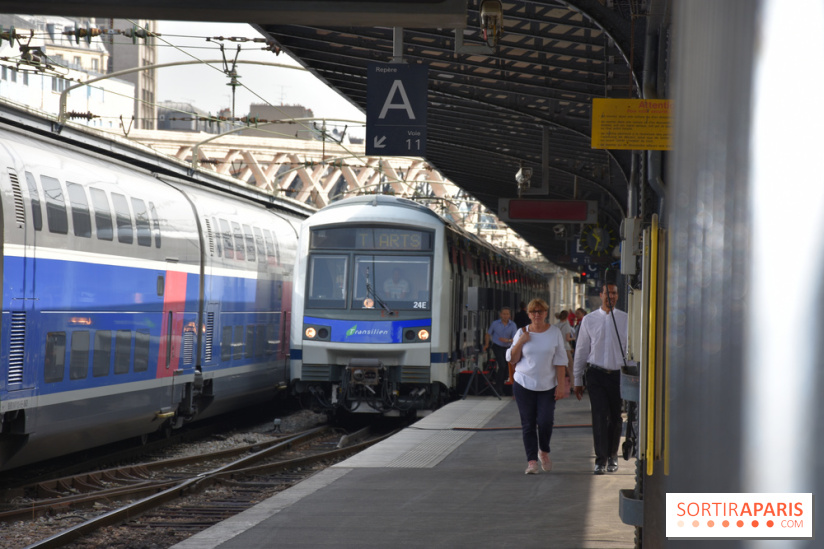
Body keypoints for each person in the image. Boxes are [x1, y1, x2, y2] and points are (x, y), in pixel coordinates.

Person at [506, 298, 569, 475]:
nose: (536, 315)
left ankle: (544, 451)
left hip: (547, 385)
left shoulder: (554, 332)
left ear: (546, 313)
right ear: (528, 314)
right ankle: (532, 461)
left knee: (545, 421)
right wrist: (521, 341)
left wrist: (561, 385)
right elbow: (512, 359)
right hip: (524, 383)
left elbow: (560, 361)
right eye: (533, 312)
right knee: (528, 423)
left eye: (540, 311)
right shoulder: (521, 332)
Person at [573, 283, 627, 475]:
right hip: (596, 374)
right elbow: (581, 350)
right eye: (607, 293)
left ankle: (612, 455)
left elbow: (631, 350)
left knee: (615, 417)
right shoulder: (589, 320)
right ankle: (600, 459)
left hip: (618, 375)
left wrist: (634, 378)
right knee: (599, 416)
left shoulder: (626, 319)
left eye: (614, 293)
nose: (610, 296)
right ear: (601, 295)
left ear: (617, 296)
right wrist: (577, 379)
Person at [483, 307, 517, 392]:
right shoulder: (495, 324)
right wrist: (486, 344)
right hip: (497, 347)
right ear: (501, 314)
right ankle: (498, 388)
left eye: (507, 314)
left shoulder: (513, 325)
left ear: (509, 315)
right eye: (504, 314)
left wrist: (507, 340)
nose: (505, 316)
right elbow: (488, 334)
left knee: (506, 367)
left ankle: (503, 383)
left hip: (507, 348)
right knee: (502, 365)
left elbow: (515, 339)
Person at [554, 310, 574, 391]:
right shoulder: (567, 325)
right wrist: (574, 338)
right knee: (570, 367)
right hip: (565, 348)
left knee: (558, 367)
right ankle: (573, 385)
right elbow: (567, 338)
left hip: (557, 348)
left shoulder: (556, 325)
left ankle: (556, 385)